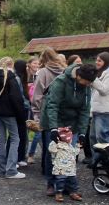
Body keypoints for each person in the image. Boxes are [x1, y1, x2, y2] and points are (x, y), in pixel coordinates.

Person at [40, 63, 97, 196]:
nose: (87, 84)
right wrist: (54, 128)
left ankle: (67, 185)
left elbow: (85, 110)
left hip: (73, 122)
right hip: (54, 119)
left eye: (90, 82)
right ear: (78, 76)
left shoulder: (86, 87)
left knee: (70, 155)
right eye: (86, 81)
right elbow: (52, 105)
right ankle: (51, 183)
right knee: (53, 153)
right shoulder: (61, 82)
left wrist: (83, 132)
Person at [31, 48, 67, 187]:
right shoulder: (65, 71)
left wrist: (36, 112)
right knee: (63, 147)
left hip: (47, 113)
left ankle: (50, 179)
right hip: (63, 114)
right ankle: (62, 178)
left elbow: (37, 95)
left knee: (48, 147)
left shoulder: (43, 73)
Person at [89, 51, 109, 166]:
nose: (97, 62)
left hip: (106, 110)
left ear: (106, 62)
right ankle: (97, 160)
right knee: (93, 136)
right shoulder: (101, 73)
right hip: (97, 109)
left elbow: (104, 90)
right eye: (96, 60)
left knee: (103, 136)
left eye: (100, 61)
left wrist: (93, 79)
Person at [48, 126, 82, 202]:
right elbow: (51, 149)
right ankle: (58, 193)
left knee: (73, 182)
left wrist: (77, 146)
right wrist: (54, 141)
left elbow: (75, 153)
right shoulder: (58, 145)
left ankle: (73, 192)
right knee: (60, 181)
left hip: (70, 169)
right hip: (60, 168)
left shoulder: (70, 146)